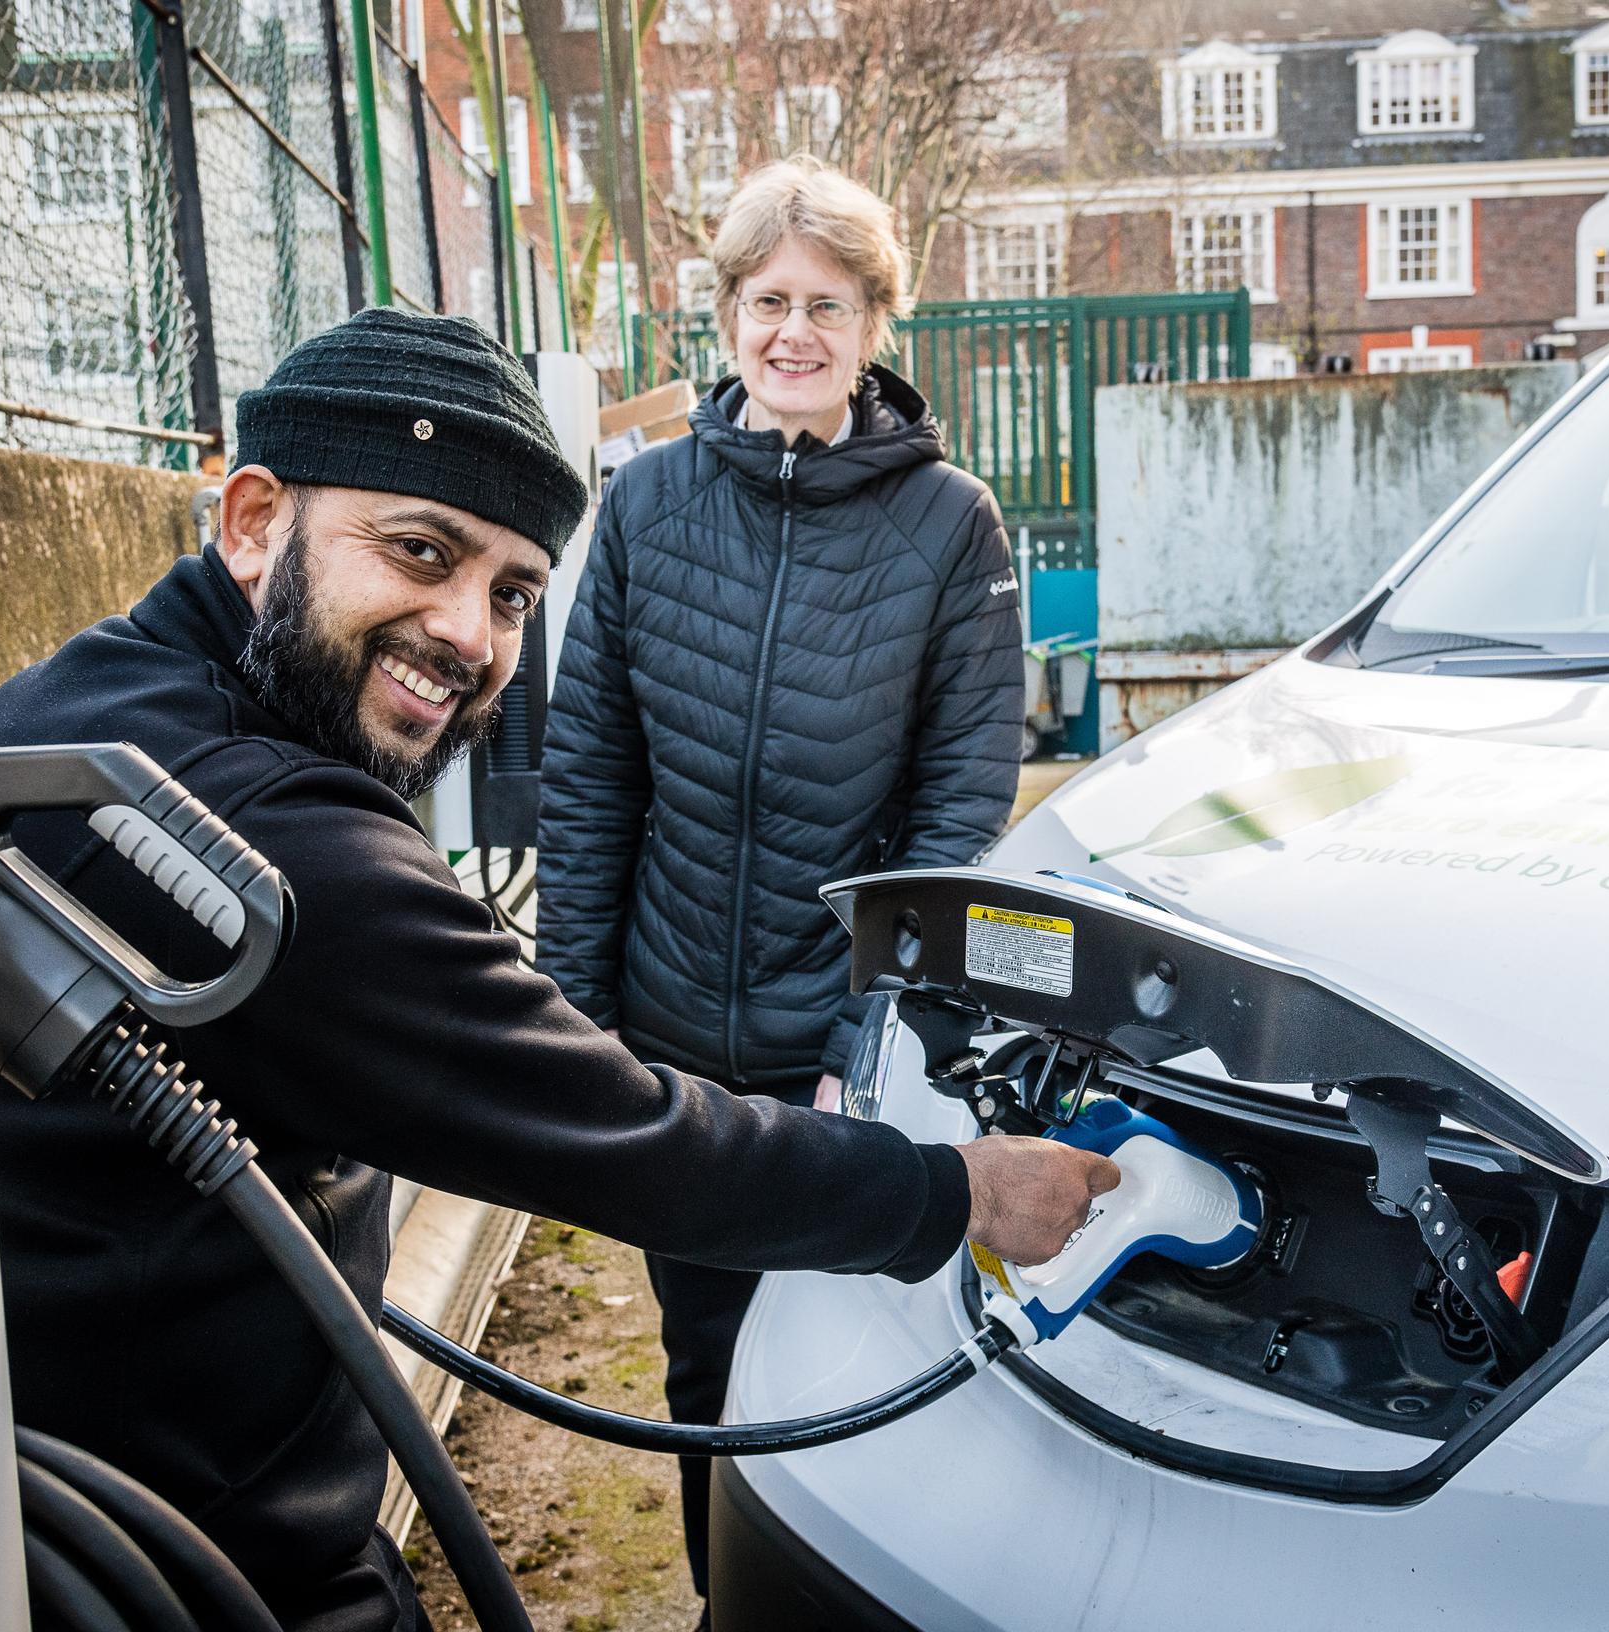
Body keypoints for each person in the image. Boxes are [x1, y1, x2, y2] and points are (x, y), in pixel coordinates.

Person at [0, 307, 1112, 1632]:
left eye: (510, 593)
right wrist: (956, 1189)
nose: (467, 633)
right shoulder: (283, 852)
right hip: (212, 1575)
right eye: (420, 552)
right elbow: (634, 1141)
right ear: (254, 521)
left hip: (92, 1515)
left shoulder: (77, 703)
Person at [535, 158, 1026, 1613]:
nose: (792, 330)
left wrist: (860, 1042)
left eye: (826, 302)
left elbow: (958, 808)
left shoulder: (951, 525)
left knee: (847, 1367)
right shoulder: (646, 508)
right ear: (727, 314)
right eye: (766, 301)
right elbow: (589, 775)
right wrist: (572, 1025)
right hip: (672, 1033)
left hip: (842, 1051)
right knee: (700, 1368)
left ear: (877, 319)